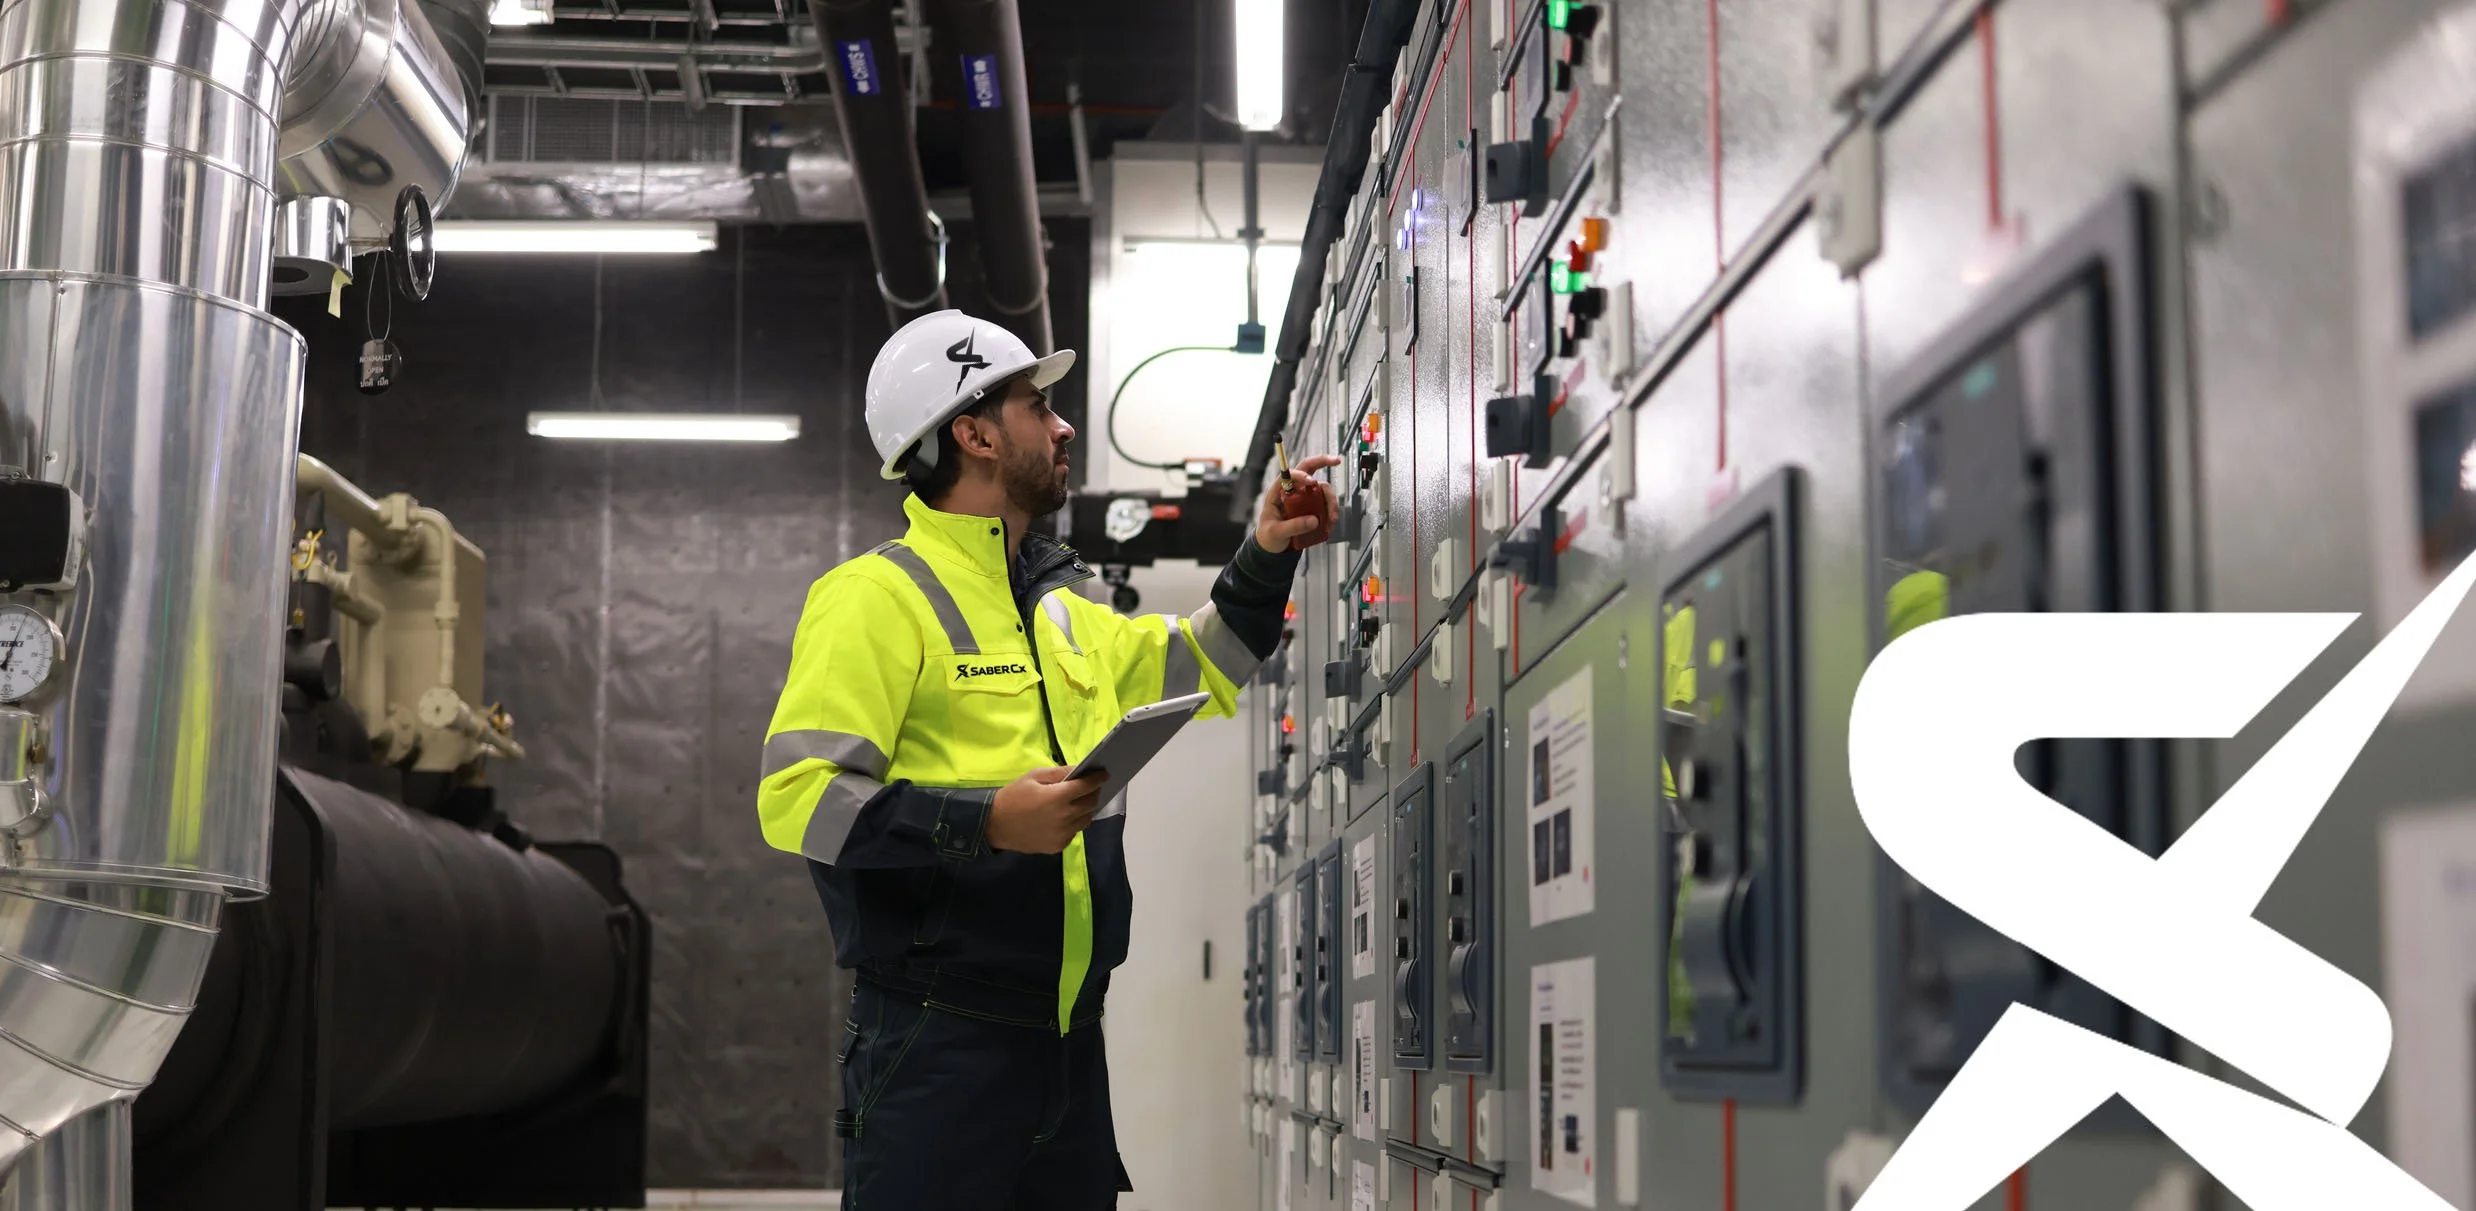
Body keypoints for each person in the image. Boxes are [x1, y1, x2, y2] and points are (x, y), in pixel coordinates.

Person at [755, 309, 1337, 1210]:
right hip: (936, 1044)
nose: (1064, 426)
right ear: (974, 433)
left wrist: (1265, 551)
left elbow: (1208, 658)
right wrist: (984, 819)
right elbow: (799, 798)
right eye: (1039, 405)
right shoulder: (873, 596)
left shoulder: (1063, 609)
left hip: (1067, 1043)